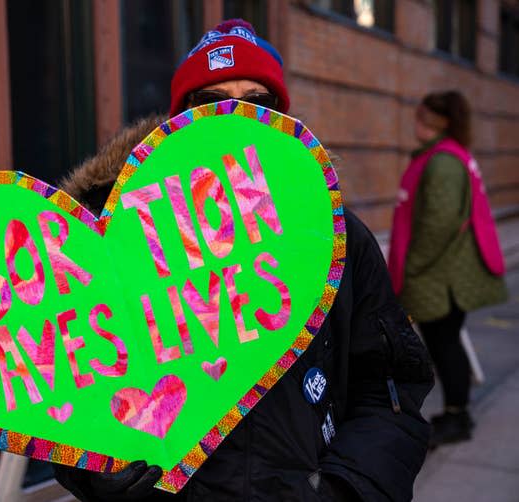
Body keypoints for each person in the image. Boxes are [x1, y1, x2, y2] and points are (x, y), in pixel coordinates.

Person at [55, 20, 433, 501]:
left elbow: (389, 392)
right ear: (178, 122)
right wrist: (95, 467)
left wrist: (345, 490)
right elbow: (63, 393)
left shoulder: (333, 239)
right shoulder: (115, 247)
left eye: (258, 102)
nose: (235, 117)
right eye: (211, 102)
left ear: (281, 119)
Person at [388, 91, 508, 448]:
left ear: (435, 121)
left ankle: (457, 417)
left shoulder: (442, 162)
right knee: (446, 344)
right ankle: (458, 413)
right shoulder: (446, 156)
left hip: (441, 279)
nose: (414, 124)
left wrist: (412, 268)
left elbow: (438, 225)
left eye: (420, 117)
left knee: (445, 346)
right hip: (444, 276)